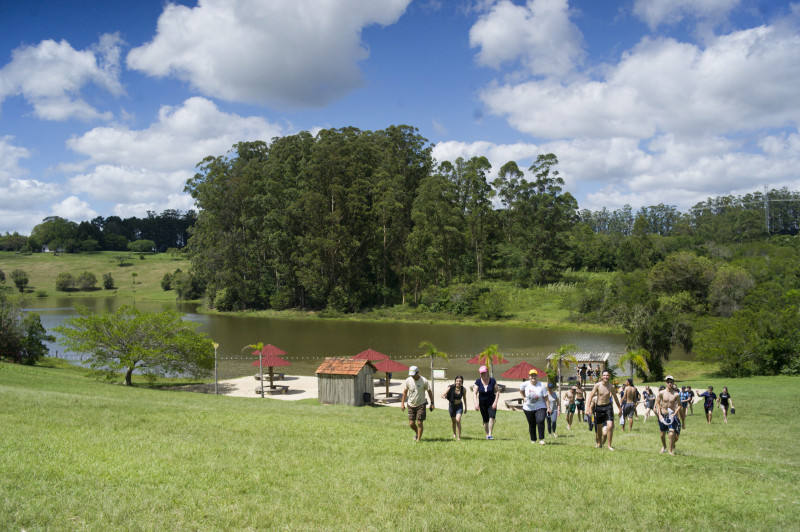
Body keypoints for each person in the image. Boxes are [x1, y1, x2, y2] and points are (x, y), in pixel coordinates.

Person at [585, 370, 621, 450]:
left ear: (609, 376)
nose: (606, 377)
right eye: (604, 375)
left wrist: (619, 408)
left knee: (610, 426)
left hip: (608, 407)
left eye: (607, 375)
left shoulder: (611, 386)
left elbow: (615, 398)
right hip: (599, 408)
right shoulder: (597, 385)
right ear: (601, 377)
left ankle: (609, 446)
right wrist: (588, 408)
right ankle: (599, 443)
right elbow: (590, 396)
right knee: (599, 429)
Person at [400, 365, 434, 442]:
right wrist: (402, 403)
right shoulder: (408, 380)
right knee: (411, 423)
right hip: (411, 404)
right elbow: (405, 392)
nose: (412, 376)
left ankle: (418, 439)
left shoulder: (424, 380)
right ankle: (417, 433)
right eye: (411, 375)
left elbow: (429, 392)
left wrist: (432, 403)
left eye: (413, 375)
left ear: (417, 373)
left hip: (421, 404)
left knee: (419, 422)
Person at [520, 369, 550, 445]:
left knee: (540, 421)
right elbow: (520, 390)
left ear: (537, 376)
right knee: (531, 424)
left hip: (540, 407)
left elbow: (546, 397)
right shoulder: (525, 384)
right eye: (531, 375)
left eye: (535, 375)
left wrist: (548, 408)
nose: (533, 377)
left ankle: (541, 439)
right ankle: (533, 439)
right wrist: (523, 397)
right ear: (529, 376)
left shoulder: (541, 385)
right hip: (528, 408)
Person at [655, 375, 682, 455]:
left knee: (671, 432)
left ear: (673, 383)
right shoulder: (662, 393)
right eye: (668, 382)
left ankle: (670, 451)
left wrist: (675, 413)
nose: (670, 384)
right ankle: (664, 446)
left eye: (671, 382)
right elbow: (657, 403)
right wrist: (659, 414)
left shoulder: (676, 394)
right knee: (662, 434)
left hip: (671, 416)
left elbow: (680, 405)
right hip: (663, 415)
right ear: (666, 383)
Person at [473, 365, 500, 440]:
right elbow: (474, 393)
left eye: (484, 373)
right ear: (480, 374)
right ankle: (487, 434)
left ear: (487, 372)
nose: (483, 375)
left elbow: (497, 392)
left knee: (492, 417)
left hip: (491, 403)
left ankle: (490, 434)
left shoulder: (492, 381)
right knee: (485, 420)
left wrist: (495, 402)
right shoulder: (478, 382)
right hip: (482, 404)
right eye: (481, 373)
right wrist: (476, 404)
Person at [442, 375, 467, 440]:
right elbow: (442, 395)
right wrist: (444, 397)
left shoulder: (463, 389)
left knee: (458, 420)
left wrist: (466, 407)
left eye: (460, 381)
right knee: (453, 421)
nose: (458, 382)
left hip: (459, 406)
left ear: (462, 382)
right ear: (455, 381)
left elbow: (464, 398)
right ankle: (454, 433)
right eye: (457, 381)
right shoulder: (451, 387)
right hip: (452, 406)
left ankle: (459, 437)